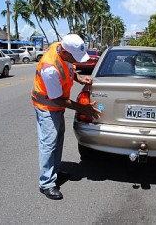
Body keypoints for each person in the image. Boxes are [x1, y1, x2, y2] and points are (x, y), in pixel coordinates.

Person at [31, 34, 101, 200]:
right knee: (48, 143)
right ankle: (46, 183)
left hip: (57, 105)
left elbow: (70, 70)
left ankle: (54, 171)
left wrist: (80, 78)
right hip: (47, 107)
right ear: (63, 52)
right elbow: (57, 98)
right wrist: (84, 109)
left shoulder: (62, 47)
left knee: (58, 138)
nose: (76, 61)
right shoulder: (50, 69)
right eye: (73, 57)